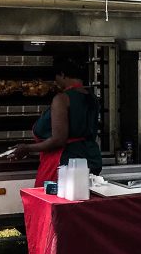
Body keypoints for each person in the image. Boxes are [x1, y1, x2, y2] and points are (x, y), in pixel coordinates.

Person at [11, 57, 102, 186]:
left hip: (66, 163)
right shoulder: (92, 97)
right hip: (91, 158)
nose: (56, 81)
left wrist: (27, 148)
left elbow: (59, 140)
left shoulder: (62, 99)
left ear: (62, 74)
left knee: (55, 202)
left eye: (56, 77)